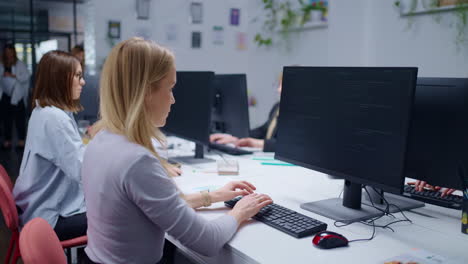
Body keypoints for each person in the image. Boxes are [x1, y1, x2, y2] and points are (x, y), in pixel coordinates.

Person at [81, 37, 273, 264]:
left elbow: (154, 205)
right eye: (169, 88)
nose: (173, 99)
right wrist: (240, 211)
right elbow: (207, 242)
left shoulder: (102, 140)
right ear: (145, 93)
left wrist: (213, 196)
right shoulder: (136, 161)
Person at [13, 50, 88, 241]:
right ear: (60, 79)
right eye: (78, 76)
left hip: (35, 208)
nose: (83, 82)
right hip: (48, 218)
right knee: (121, 213)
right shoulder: (55, 119)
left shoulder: (45, 111)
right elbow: (84, 171)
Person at [210, 73, 282, 152]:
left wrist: (256, 143)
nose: (279, 89)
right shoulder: (277, 107)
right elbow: (262, 131)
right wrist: (236, 137)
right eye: (279, 85)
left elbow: (291, 145)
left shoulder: (296, 115)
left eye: (283, 85)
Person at [0, 44, 30, 149]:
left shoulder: (20, 64)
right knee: (6, 119)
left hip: (17, 96)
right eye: (6, 52)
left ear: (13, 52)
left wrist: (13, 76)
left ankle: (21, 141)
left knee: (20, 120)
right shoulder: (2, 64)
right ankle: (7, 141)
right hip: (5, 96)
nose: (8, 54)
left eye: (10, 52)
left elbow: (26, 77)